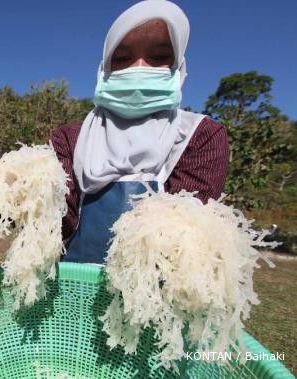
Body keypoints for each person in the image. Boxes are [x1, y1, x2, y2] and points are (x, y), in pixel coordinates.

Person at [50, 0, 229, 264]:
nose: (139, 67)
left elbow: (187, 231)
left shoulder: (199, 134)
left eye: (159, 57)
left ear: (178, 66)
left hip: (156, 293)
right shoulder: (70, 138)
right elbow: (59, 224)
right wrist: (30, 202)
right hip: (75, 285)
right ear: (104, 68)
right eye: (122, 58)